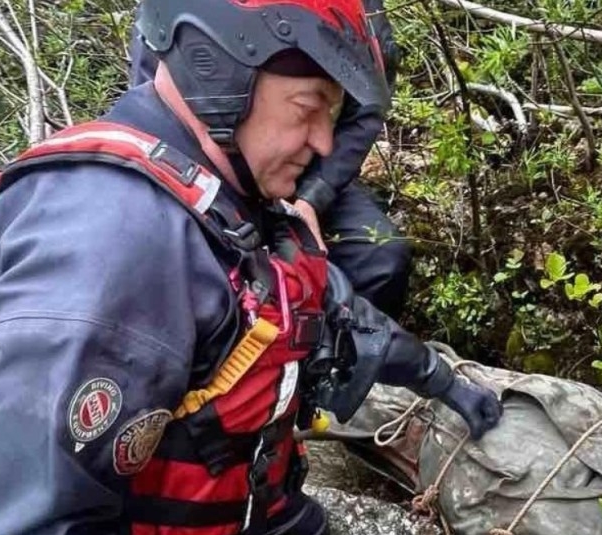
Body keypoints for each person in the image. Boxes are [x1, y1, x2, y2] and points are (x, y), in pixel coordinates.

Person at [0, 1, 501, 535]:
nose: (323, 143)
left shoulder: (228, 197)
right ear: (221, 74)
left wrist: (446, 385)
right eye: (310, 111)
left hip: (193, 512)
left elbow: (334, 315)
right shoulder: (119, 249)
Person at [129, 0, 412, 319]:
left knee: (381, 257)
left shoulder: (360, 8)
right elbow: (162, 95)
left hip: (309, 167)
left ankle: (339, 354)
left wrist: (313, 197)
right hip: (209, 161)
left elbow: (366, 108)